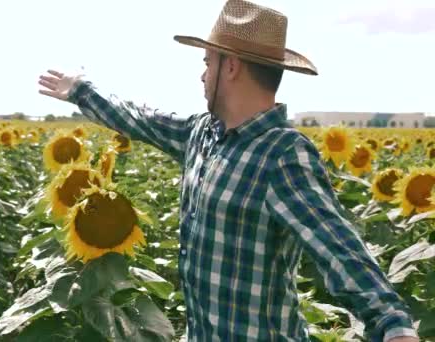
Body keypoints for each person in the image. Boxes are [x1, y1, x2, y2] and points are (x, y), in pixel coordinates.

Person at [37, 0, 420, 341]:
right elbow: (141, 119)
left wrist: (393, 324)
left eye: (208, 63)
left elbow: (338, 248)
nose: (202, 75)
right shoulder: (202, 133)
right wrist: (81, 91)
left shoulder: (282, 155)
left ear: (231, 66)